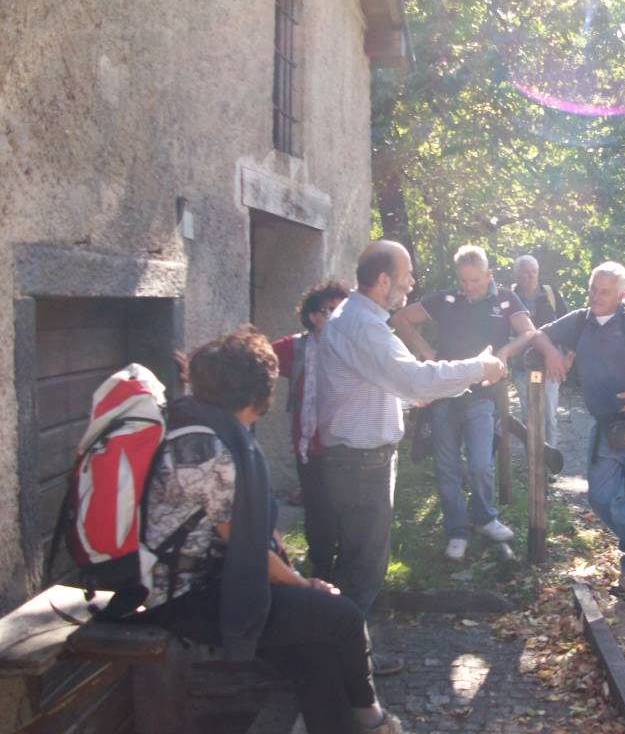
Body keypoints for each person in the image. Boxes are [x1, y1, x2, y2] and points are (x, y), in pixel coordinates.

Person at [134, 328, 402, 734]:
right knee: (344, 618)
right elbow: (245, 546)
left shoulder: (200, 426)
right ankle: (373, 720)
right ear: (257, 395)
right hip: (183, 599)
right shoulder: (210, 451)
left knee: (315, 651)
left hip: (204, 583)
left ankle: (353, 724)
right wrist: (301, 583)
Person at [317, 240, 506, 623]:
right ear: (384, 280)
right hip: (360, 465)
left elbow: (368, 387)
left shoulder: (357, 319)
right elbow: (416, 379)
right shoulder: (366, 327)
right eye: (406, 276)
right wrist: (479, 367)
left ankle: (349, 654)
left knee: (358, 564)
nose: (412, 282)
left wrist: (405, 400)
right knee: (362, 570)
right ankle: (349, 668)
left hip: (356, 461)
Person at [530, 261, 625, 595]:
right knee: (600, 496)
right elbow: (539, 334)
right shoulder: (581, 321)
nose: (596, 297)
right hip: (606, 422)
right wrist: (554, 353)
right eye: (593, 289)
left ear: (622, 295)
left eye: (605, 292)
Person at [391, 245, 536, 562]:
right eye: (464, 281)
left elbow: (528, 332)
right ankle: (457, 531)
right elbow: (400, 318)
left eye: (475, 281)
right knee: (446, 467)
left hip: (481, 394)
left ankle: (484, 518)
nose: (468, 287)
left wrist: (504, 353)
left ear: (488, 275)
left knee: (481, 463)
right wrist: (426, 353)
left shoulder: (505, 300)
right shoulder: (446, 299)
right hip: (443, 393)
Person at [271, 280, 348, 580]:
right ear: (314, 316)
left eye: (342, 311)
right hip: (311, 443)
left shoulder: (356, 346)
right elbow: (256, 359)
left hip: (348, 441)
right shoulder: (297, 348)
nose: (336, 317)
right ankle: (322, 563)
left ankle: (348, 562)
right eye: (330, 311)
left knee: (346, 506)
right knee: (317, 506)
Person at [510, 254, 568, 447]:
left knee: (549, 415)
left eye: (534, 272)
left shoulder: (551, 294)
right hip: (521, 367)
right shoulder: (509, 297)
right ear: (517, 275)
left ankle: (549, 465)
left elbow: (569, 325)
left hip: (550, 366)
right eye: (526, 272)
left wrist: (568, 357)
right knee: (529, 416)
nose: (531, 276)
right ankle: (532, 463)